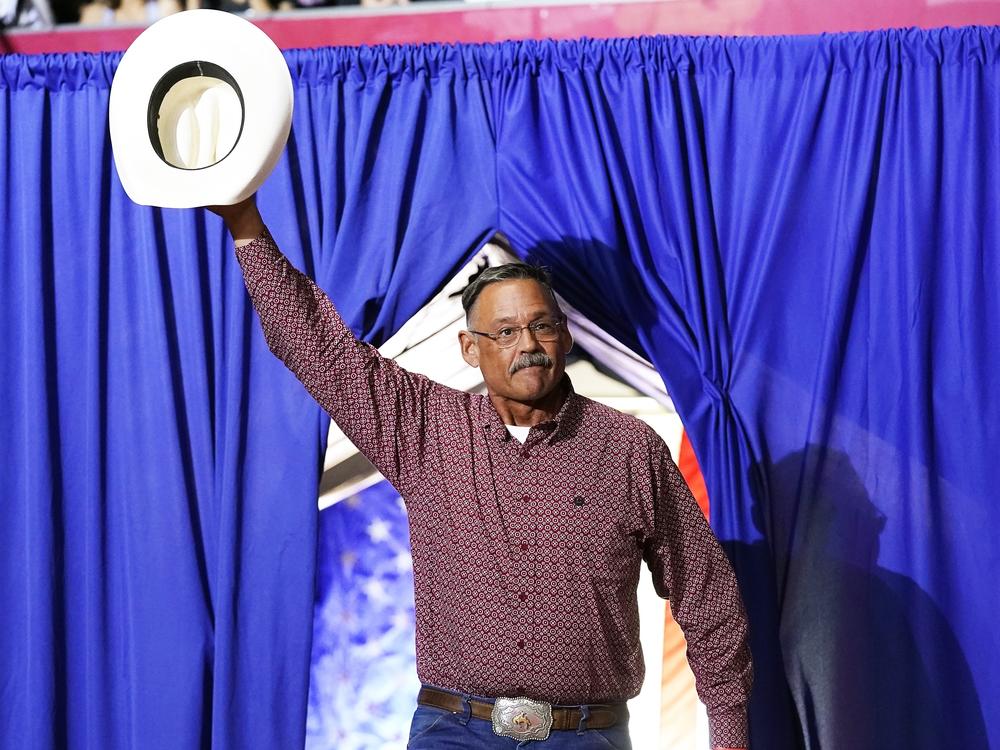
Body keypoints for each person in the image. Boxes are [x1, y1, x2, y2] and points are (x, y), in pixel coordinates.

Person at [211, 196, 753, 749]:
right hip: (455, 733)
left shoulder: (627, 449)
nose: (529, 346)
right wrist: (247, 225)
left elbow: (706, 592)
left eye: (542, 327)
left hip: (589, 735)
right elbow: (316, 347)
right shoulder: (424, 427)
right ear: (471, 348)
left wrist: (729, 735)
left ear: (565, 337)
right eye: (506, 332)